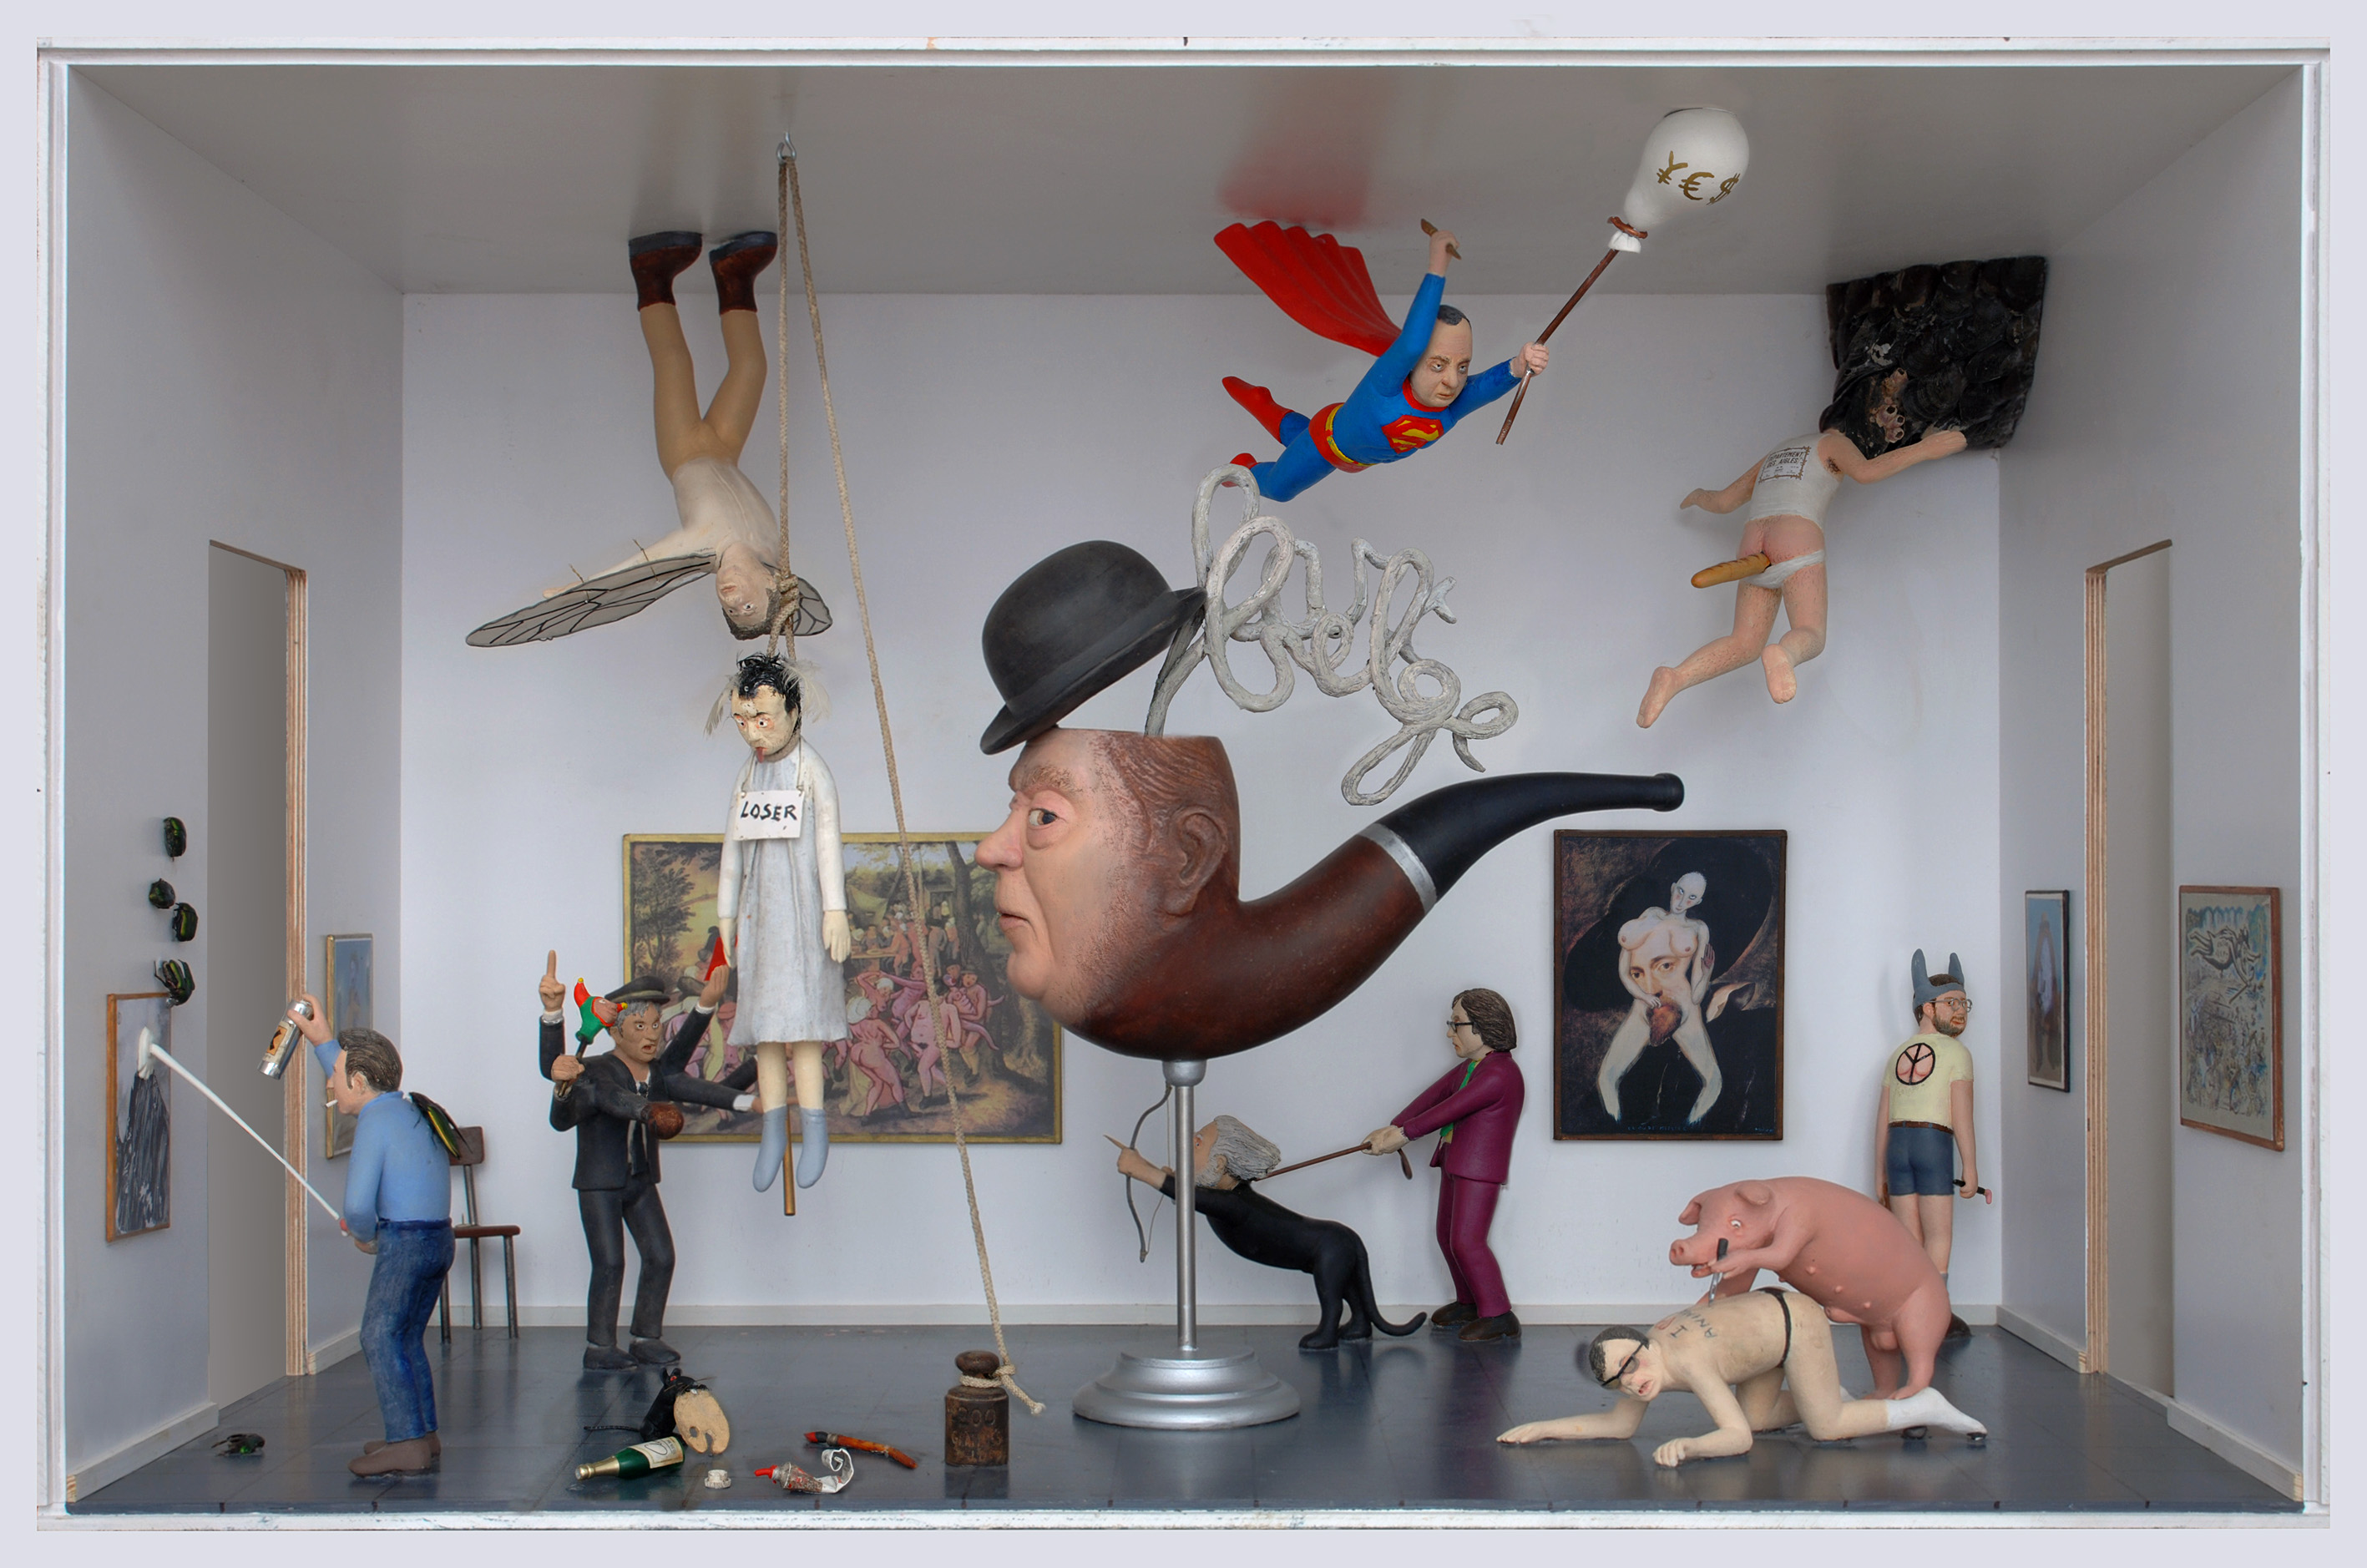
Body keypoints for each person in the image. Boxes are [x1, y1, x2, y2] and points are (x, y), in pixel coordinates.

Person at [467, 232, 831, 648]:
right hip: (726, 449)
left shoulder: (700, 547)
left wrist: (579, 593)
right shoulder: (772, 550)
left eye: (731, 612)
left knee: (673, 362)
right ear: (771, 584)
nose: (731, 601)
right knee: (751, 367)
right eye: (748, 607)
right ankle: (735, 276)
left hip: (684, 451)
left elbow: (638, 568)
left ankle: (651, 274)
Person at [1636, 421, 1967, 726]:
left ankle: (1676, 676)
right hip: (1795, 539)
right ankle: (1785, 654)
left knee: (1744, 642)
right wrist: (1926, 449)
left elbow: (1723, 502)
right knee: (1810, 633)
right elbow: (1867, 472)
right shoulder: (1834, 445)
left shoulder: (1780, 451)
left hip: (1752, 543)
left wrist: (1698, 497)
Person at [1221, 223, 1549, 503]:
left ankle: (1262, 403)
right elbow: (1412, 342)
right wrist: (1437, 268)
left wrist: (1520, 365)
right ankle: (1244, 468)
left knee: (1298, 438)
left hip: (1344, 447)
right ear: (1413, 363)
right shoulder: (1385, 388)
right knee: (1279, 489)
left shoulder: (1449, 408)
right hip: (1327, 445)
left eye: (1462, 367)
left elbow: (1486, 386)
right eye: (1437, 365)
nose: (1452, 381)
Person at [539, 956, 754, 1370]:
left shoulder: (656, 1073)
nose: (652, 1034)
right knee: (609, 1263)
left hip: (640, 1179)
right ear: (615, 1031)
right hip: (600, 1183)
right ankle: (600, 1347)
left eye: (656, 1025)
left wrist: (707, 1005)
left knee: (660, 1256)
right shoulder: (595, 1070)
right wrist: (552, 1017)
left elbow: (685, 1058)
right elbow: (574, 1110)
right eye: (640, 1026)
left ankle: (645, 1336)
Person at [1495, 1292, 1984, 1467]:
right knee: (1759, 1415)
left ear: (1647, 1348)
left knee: (1826, 1427)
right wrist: (1545, 1428)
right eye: (1617, 1383)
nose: (1631, 1384)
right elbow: (1620, 1426)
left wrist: (1690, 1446)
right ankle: (1827, 1394)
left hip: (1793, 1323)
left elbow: (1736, 1439)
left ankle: (1924, 1407)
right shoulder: (1641, 1364)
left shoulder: (1685, 1361)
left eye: (1631, 1368)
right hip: (1758, 1338)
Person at [287, 1001, 453, 1476]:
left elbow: (358, 1205)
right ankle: (422, 1432)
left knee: (378, 1335)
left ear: (358, 1082)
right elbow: (350, 1073)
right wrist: (323, 1041)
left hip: (404, 1243)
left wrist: (365, 1236)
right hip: (438, 1237)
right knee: (406, 1337)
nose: (330, 1083)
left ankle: (406, 1442)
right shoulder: (406, 1108)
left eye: (336, 1075)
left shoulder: (375, 1121)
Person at [714, 650, 852, 1191]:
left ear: (793, 712)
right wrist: (726, 914)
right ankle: (773, 1129)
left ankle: (814, 1129)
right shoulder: (748, 774)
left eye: (763, 719)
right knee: (766, 1031)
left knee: (804, 1031)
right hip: (760, 913)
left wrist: (834, 908)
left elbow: (827, 842)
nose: (753, 732)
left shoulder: (812, 771)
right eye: (742, 721)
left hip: (804, 910)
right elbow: (732, 846)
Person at [1110, 1115, 1426, 1350]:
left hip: (1329, 1244)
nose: (1188, 1146)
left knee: (1332, 1287)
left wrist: (1143, 1171)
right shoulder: (1230, 1197)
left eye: (1197, 1143)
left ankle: (1330, 1331)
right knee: (1344, 1283)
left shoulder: (1235, 1204)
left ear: (1220, 1163)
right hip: (1334, 1240)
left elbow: (1192, 1198)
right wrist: (1165, 1174)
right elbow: (1193, 1194)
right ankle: (1360, 1323)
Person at [1362, 989, 1525, 1343]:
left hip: (1479, 1168)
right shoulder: (1472, 1067)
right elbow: (1433, 1096)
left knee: (1467, 1241)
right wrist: (1393, 1126)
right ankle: (1470, 1301)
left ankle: (1498, 1314)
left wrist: (1403, 1135)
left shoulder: (1500, 1074)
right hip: (1454, 1159)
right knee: (1446, 1236)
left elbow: (1450, 1109)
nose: (1450, 1032)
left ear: (1482, 1027)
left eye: (1457, 1024)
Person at [1876, 949, 1980, 1341]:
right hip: (1933, 1143)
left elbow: (1883, 1119)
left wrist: (1879, 1174)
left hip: (1897, 1146)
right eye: (1952, 1003)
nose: (1961, 1011)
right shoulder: (1957, 1054)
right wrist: (1970, 1167)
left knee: (1909, 1238)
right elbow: (1962, 1116)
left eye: (1964, 1003)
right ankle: (1935, 1315)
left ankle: (1907, 1312)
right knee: (1939, 1234)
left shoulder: (1897, 1055)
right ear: (1927, 1007)